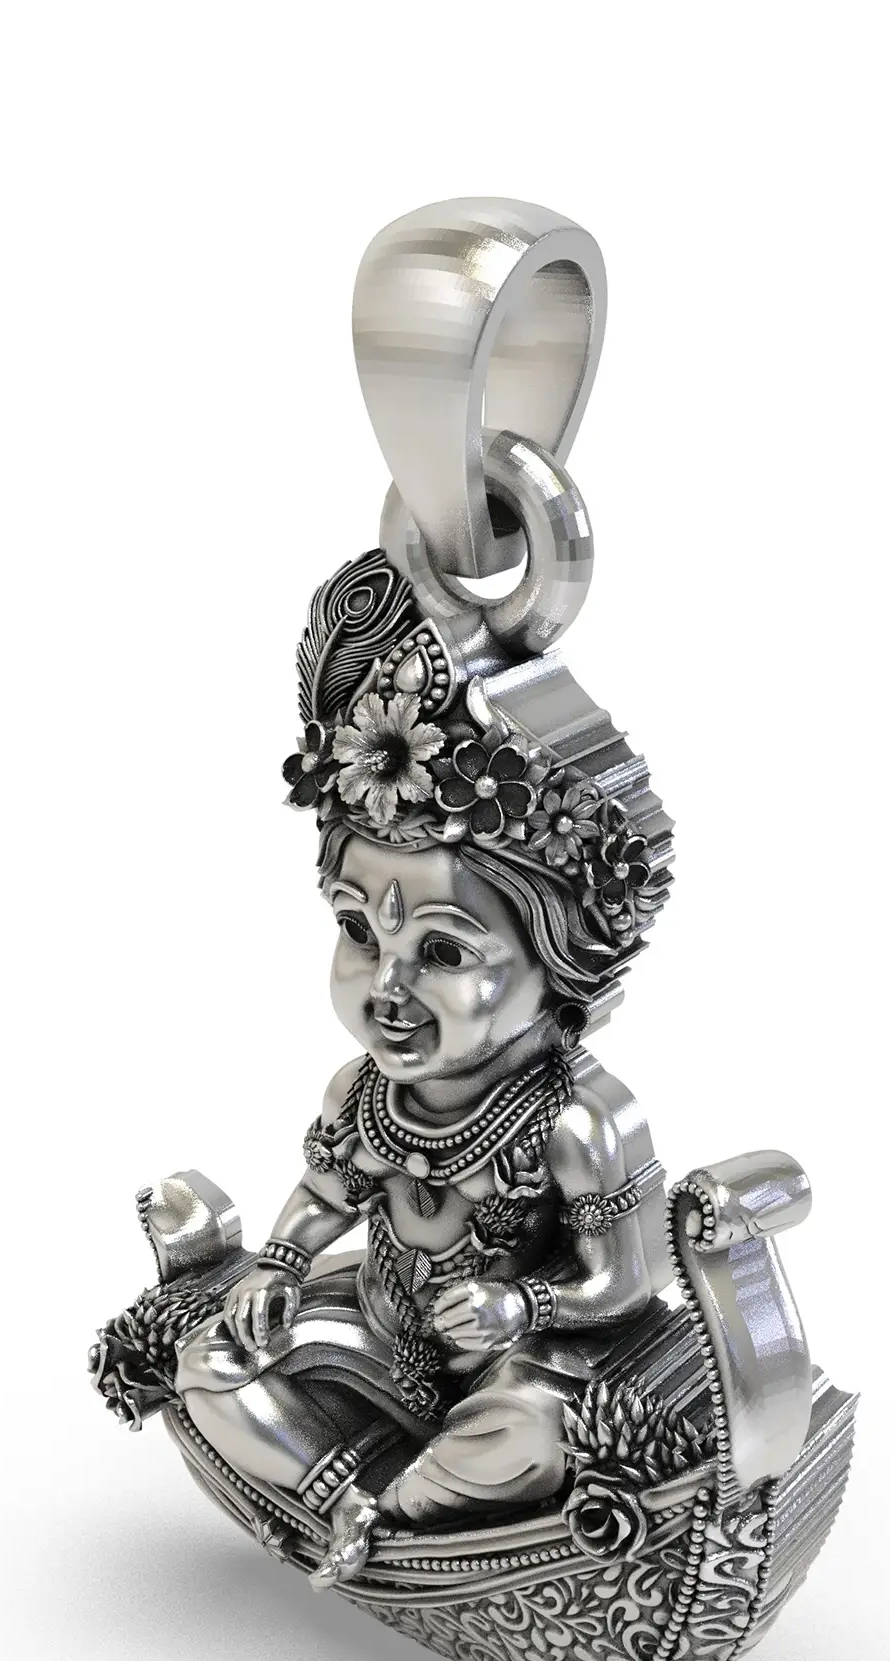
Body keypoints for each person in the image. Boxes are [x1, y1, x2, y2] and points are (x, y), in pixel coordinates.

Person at [174, 552, 674, 1586]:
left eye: (442, 951)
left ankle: (398, 1510)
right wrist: (276, 1266)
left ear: (556, 967)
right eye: (360, 932)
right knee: (209, 1362)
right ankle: (358, 1504)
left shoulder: (578, 1121)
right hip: (379, 1326)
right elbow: (328, 1193)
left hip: (518, 1366)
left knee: (529, 1435)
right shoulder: (365, 1094)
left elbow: (628, 1282)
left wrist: (524, 1310)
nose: (389, 988)